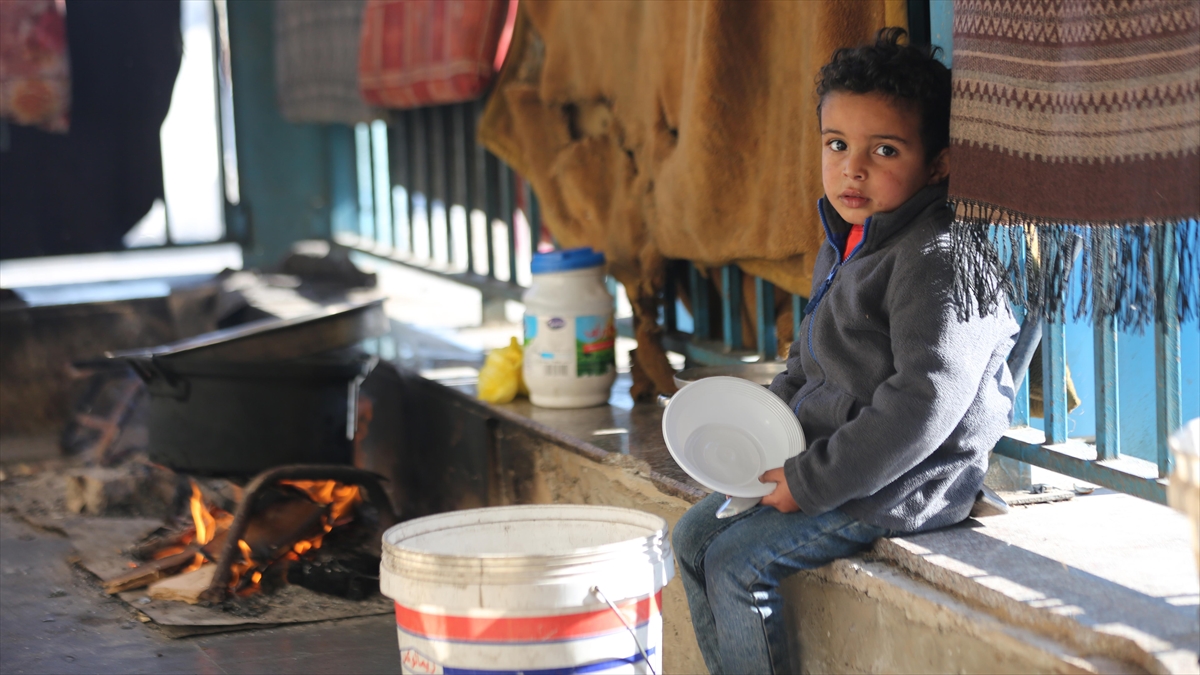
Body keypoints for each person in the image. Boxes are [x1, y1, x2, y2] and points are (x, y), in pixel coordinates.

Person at [672, 27, 1019, 674]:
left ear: (938, 162)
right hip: (830, 460)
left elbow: (923, 404)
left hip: (904, 482)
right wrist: (756, 436)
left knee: (735, 563)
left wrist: (808, 482)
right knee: (691, 536)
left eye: (884, 149)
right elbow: (809, 362)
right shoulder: (851, 236)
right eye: (837, 145)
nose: (852, 169)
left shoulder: (939, 257)